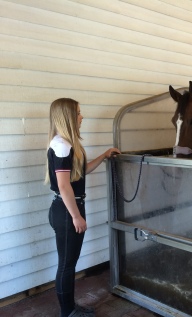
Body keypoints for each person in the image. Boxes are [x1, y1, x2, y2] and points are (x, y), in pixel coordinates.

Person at [45, 98, 120, 317]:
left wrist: (104, 155)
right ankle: (68, 312)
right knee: (67, 266)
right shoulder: (62, 146)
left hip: (67, 208)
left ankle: (70, 307)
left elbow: (80, 171)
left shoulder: (66, 144)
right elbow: (64, 185)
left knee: (69, 264)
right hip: (68, 211)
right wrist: (76, 217)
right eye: (78, 113)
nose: (82, 116)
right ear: (68, 116)